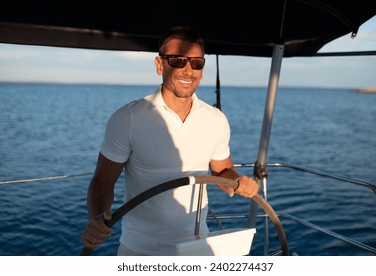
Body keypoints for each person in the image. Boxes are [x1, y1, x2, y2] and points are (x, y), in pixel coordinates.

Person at [81, 26, 259, 256]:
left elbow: (223, 171)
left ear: (202, 69)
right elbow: (103, 181)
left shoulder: (216, 120)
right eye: (177, 60)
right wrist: (97, 218)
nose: (188, 70)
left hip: (197, 248)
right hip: (140, 251)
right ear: (159, 65)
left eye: (196, 63)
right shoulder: (128, 118)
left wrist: (238, 181)